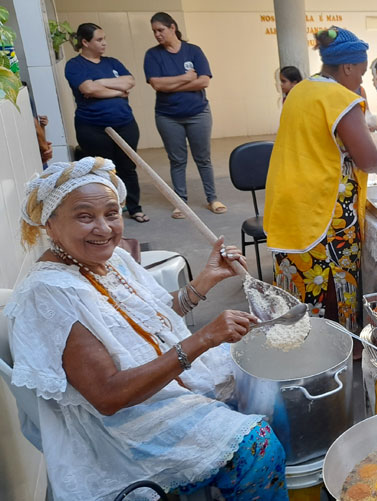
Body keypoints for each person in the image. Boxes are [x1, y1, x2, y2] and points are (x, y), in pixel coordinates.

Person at [7, 157, 288, 500]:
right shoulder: (49, 294)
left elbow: (147, 315)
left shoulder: (112, 258)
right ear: (49, 225)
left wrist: (202, 283)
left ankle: (248, 481)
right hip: (124, 428)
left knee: (262, 372)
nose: (104, 228)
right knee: (258, 448)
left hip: (163, 383)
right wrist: (204, 338)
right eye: (84, 216)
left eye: (111, 213)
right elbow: (109, 397)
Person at [264, 27, 377, 334]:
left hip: (290, 205)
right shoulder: (339, 98)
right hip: (324, 211)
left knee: (300, 284)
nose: (361, 79)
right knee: (331, 285)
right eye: (360, 71)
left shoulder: (300, 90)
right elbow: (369, 160)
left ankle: (301, 344)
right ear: (346, 67)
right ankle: (335, 350)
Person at [144, 12, 226, 219]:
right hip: (168, 116)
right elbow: (157, 84)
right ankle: (180, 202)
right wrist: (185, 78)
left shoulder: (193, 51)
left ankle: (212, 198)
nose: (157, 35)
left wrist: (171, 84)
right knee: (177, 160)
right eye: (154, 31)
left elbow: (203, 81)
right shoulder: (153, 55)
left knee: (203, 158)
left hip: (198, 113)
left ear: (172, 28)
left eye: (160, 30)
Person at [64, 23, 148, 223]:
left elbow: (130, 81)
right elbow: (88, 89)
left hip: (125, 123)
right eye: (99, 40)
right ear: (85, 42)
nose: (104, 43)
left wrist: (99, 83)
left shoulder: (112, 62)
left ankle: (134, 207)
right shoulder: (75, 65)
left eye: (104, 39)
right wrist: (118, 91)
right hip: (92, 127)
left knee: (127, 167)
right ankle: (109, 212)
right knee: (102, 170)